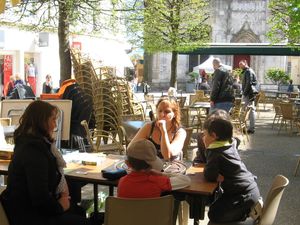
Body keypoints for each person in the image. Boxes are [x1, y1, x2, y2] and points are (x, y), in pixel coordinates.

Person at [0, 101, 92, 225]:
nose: (55, 126)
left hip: (26, 210)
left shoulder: (30, 143)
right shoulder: (33, 151)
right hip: (29, 216)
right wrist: (60, 206)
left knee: (79, 211)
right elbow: (40, 198)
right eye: (53, 120)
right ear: (41, 122)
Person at [197, 110, 260, 223]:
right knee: (217, 208)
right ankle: (241, 213)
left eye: (205, 134)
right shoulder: (230, 144)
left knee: (214, 214)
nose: (203, 138)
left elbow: (209, 175)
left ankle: (241, 215)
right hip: (250, 189)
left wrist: (214, 175)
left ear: (214, 136)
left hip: (242, 195)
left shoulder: (214, 151)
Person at [118, 139, 191, 198]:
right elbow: (186, 180)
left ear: (128, 163)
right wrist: (162, 174)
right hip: (152, 216)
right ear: (152, 165)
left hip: (126, 216)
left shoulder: (122, 182)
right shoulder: (158, 181)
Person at [239, 59, 257, 134]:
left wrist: (244, 93)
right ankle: (249, 128)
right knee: (250, 110)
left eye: (241, 64)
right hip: (250, 94)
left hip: (248, 94)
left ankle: (247, 128)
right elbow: (253, 82)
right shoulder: (248, 71)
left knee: (246, 111)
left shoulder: (248, 71)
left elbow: (249, 83)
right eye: (239, 64)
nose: (240, 66)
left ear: (245, 63)